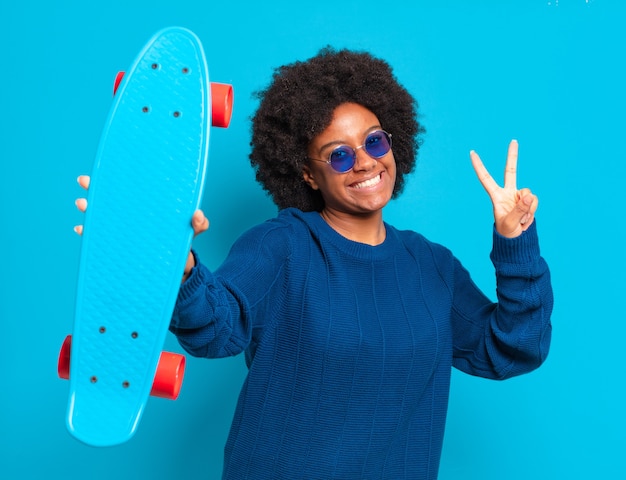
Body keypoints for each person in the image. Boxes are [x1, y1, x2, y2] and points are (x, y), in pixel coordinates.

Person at [76, 48, 553, 479]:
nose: (364, 163)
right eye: (339, 155)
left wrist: (516, 241)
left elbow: (512, 348)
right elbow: (217, 326)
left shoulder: (432, 266)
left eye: (374, 142)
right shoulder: (282, 246)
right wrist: (179, 267)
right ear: (307, 172)